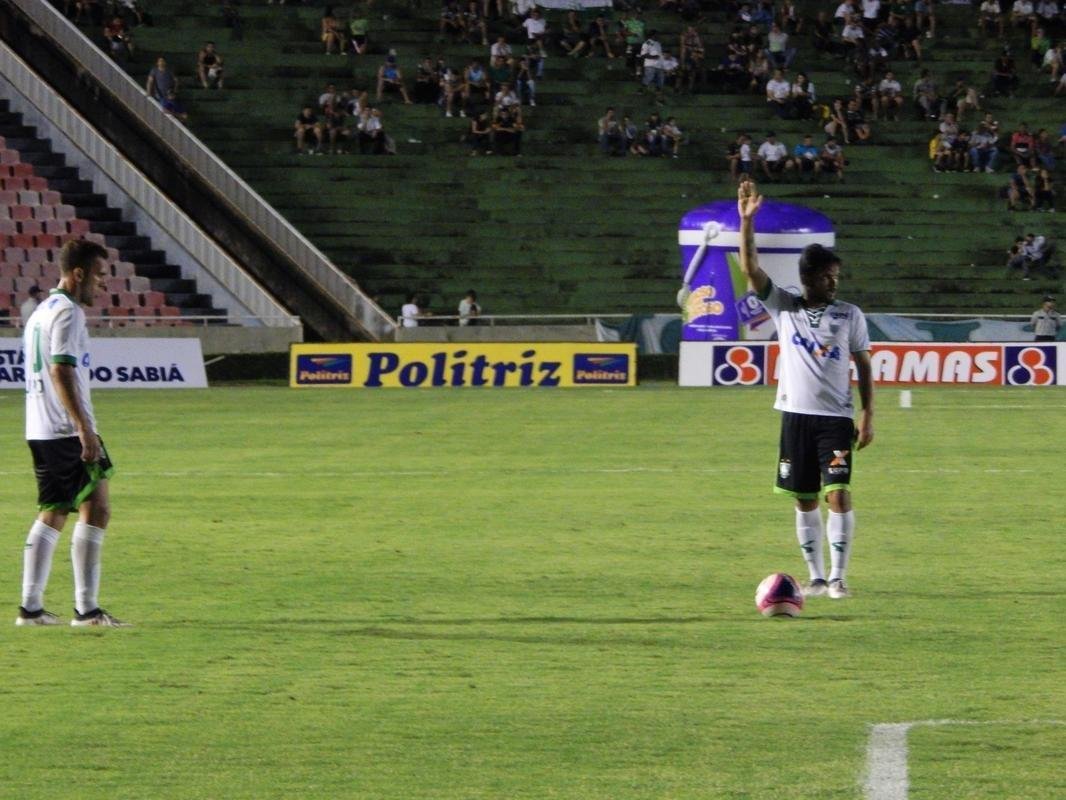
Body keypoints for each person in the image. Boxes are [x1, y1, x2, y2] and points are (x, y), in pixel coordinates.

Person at [735, 178, 874, 600]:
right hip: (794, 414)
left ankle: (838, 578)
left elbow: (864, 364)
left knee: (839, 493)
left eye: (837, 276)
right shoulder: (784, 306)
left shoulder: (849, 315)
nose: (835, 283)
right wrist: (746, 223)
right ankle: (814, 577)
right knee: (804, 499)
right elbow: (750, 269)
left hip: (835, 419)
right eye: (829, 277)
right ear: (809, 277)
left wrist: (868, 414)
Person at [16, 240, 129, 627]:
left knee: (67, 510)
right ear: (78, 274)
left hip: (41, 426)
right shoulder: (68, 313)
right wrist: (84, 428)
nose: (102, 284)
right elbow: (61, 371)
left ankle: (32, 608)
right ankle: (86, 611)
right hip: (65, 428)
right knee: (86, 510)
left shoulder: (40, 313)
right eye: (99, 276)